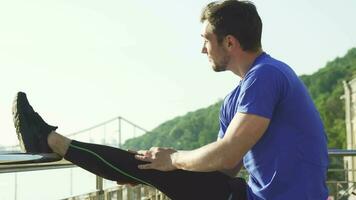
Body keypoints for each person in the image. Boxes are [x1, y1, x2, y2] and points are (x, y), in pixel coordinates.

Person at [12, 0, 329, 199]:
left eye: (206, 40)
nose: (202, 50)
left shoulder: (267, 75)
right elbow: (225, 168)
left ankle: (48, 140)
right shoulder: (237, 97)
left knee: (159, 164)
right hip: (249, 194)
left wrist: (172, 160)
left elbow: (227, 154)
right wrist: (155, 173)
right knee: (149, 165)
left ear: (229, 42)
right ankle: (51, 140)